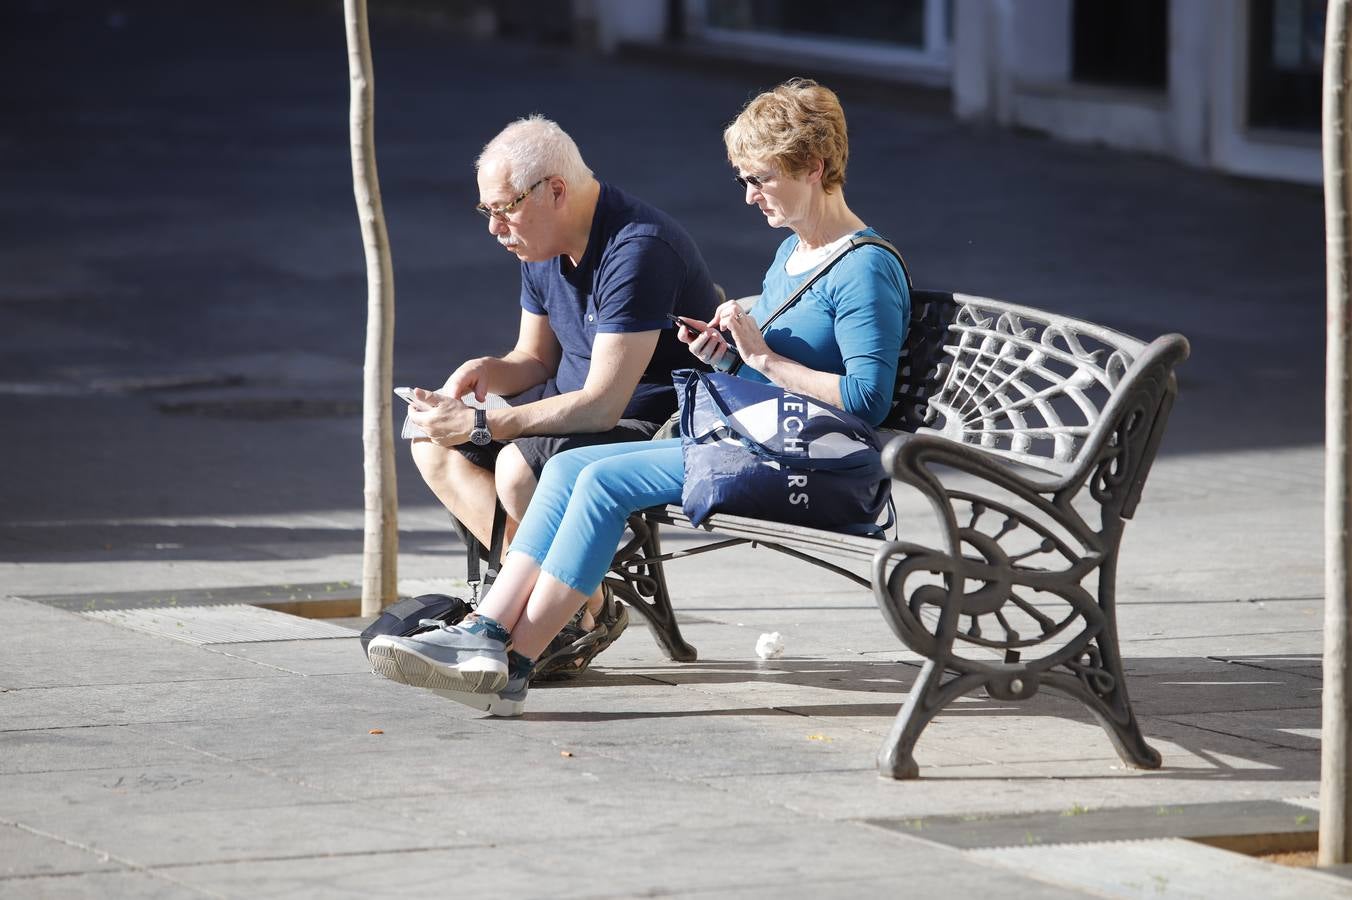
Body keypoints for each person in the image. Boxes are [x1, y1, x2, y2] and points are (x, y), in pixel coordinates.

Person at [370, 79, 910, 715]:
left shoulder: (864, 267)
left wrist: (762, 357)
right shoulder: (794, 253)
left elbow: (867, 401)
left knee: (596, 480)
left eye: (760, 178)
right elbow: (776, 368)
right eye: (745, 177)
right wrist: (730, 350)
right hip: (752, 433)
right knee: (572, 466)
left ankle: (509, 657)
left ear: (815, 168)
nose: (748, 195)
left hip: (804, 461)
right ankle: (488, 635)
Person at [402, 115, 721, 677]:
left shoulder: (638, 247)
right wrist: (483, 372)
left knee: (518, 469)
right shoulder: (541, 243)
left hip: (643, 421)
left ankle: (546, 614)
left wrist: (483, 426)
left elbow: (602, 403)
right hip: (568, 413)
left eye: (505, 207)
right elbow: (536, 360)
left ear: (555, 190)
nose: (496, 227)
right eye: (487, 211)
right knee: (430, 444)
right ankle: (585, 609)